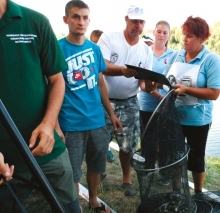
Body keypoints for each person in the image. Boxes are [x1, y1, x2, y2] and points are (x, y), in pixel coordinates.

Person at [0, 0, 81, 212]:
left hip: (45, 147)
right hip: (3, 158)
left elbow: (56, 80)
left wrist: (49, 123)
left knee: (68, 206)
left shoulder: (35, 22)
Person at [58, 1, 121, 212]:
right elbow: (52, 86)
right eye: (75, 17)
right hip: (71, 122)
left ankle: (93, 198)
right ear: (66, 19)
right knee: (73, 169)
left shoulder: (94, 49)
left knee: (96, 165)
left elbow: (101, 82)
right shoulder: (57, 48)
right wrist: (55, 124)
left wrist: (111, 114)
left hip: (96, 120)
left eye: (85, 17)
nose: (81, 22)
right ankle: (75, 204)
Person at [151, 16, 220, 193]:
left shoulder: (210, 60)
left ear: (202, 38)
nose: (185, 39)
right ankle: (177, 190)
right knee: (175, 156)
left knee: (196, 159)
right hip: (174, 117)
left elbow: (214, 93)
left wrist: (186, 90)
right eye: (184, 35)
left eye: (190, 36)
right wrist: (153, 82)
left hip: (198, 120)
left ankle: (198, 192)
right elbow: (166, 81)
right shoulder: (177, 55)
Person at [97, 5, 153, 196]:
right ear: (126, 20)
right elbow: (101, 65)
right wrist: (122, 70)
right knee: (99, 141)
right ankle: (99, 171)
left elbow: (143, 84)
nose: (137, 25)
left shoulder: (146, 51)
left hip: (129, 102)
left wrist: (150, 87)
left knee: (128, 144)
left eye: (141, 22)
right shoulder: (109, 38)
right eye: (134, 21)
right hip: (103, 101)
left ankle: (127, 179)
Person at [139, 20, 175, 133]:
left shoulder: (174, 55)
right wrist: (159, 97)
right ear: (154, 32)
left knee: (164, 143)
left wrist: (165, 100)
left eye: (165, 33)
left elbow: (174, 81)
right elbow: (141, 83)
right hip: (146, 105)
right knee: (146, 141)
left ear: (169, 35)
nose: (161, 35)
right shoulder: (144, 52)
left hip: (167, 107)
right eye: (159, 31)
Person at [90, 29, 115, 165]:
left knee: (104, 132)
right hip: (93, 102)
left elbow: (101, 81)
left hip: (104, 99)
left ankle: (106, 150)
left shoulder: (100, 53)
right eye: (95, 42)